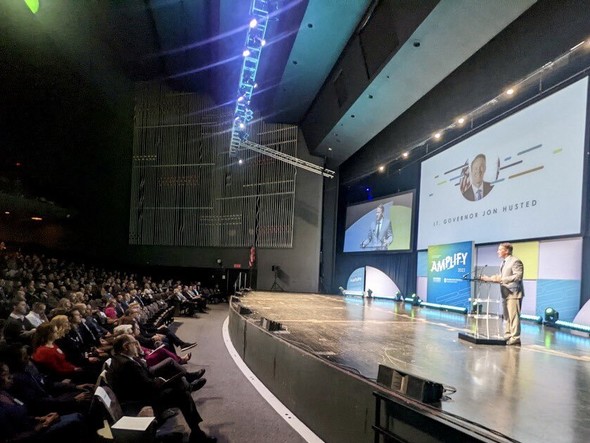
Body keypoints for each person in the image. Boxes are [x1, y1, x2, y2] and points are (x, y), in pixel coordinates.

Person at [106, 334, 216, 443]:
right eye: (134, 344)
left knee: (177, 383)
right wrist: (159, 381)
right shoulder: (128, 364)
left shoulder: (121, 359)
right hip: (141, 402)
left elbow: (144, 377)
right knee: (182, 395)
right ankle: (197, 434)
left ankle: (197, 431)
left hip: (138, 396)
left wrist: (161, 379)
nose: (136, 346)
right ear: (126, 347)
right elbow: (148, 386)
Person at [480, 242, 524, 345]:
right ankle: (508, 334)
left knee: (514, 317)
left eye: (500, 250)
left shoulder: (515, 261)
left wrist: (501, 279)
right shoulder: (504, 262)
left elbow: (518, 276)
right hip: (505, 292)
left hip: (513, 293)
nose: (498, 252)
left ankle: (515, 338)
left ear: (507, 251)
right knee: (506, 316)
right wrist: (490, 279)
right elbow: (501, 276)